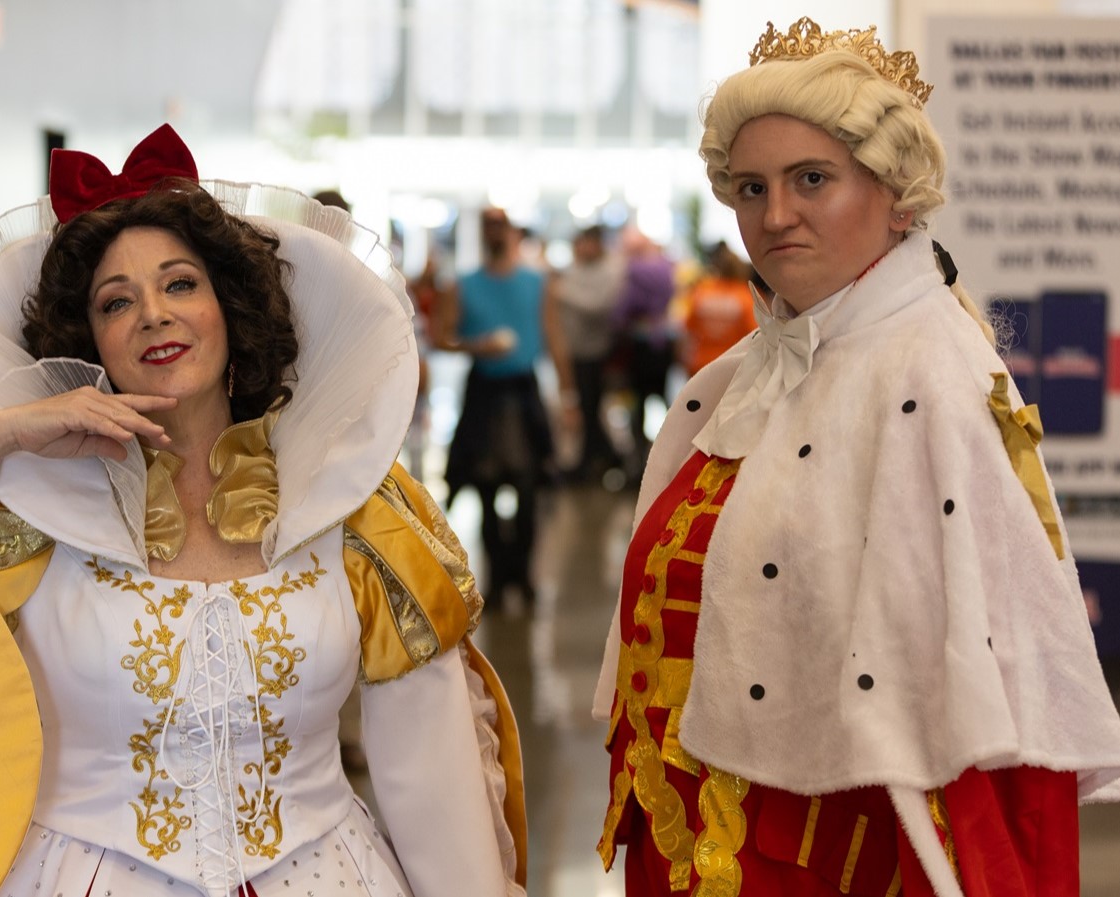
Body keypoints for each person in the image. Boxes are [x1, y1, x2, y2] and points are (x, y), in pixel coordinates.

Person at [0, 125, 525, 897]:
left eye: (180, 284)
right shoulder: (23, 509)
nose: (153, 314)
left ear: (230, 308)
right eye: (116, 301)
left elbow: (434, 772)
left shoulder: (349, 504)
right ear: (88, 341)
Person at [595, 18, 1120, 897]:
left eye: (811, 179)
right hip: (687, 840)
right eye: (750, 187)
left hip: (830, 859)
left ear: (897, 198)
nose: (775, 215)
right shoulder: (737, 378)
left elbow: (979, 722)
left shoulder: (933, 377)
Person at [435, 206, 567, 610]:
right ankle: (495, 577)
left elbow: (553, 335)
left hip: (523, 390)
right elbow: (441, 336)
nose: (494, 233)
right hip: (484, 392)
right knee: (485, 486)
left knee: (529, 486)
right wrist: (476, 346)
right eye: (488, 227)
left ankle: (523, 576)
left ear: (511, 232)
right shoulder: (463, 285)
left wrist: (570, 395)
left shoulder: (536, 282)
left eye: (500, 226)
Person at [550, 224, 624, 482]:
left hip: (596, 351)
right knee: (583, 406)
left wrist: (562, 292)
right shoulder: (573, 270)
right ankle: (603, 456)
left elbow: (597, 306)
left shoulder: (610, 270)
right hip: (573, 350)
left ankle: (598, 459)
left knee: (591, 406)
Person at [610, 228, 676, 472]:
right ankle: (672, 454)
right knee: (665, 398)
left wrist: (618, 323)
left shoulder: (634, 271)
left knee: (637, 403)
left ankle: (639, 461)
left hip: (639, 345)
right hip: (663, 342)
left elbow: (623, 309)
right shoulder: (667, 267)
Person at [679, 241, 757, 377]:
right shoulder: (746, 296)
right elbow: (755, 335)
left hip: (700, 366)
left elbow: (688, 330)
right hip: (732, 368)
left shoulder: (702, 291)